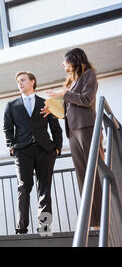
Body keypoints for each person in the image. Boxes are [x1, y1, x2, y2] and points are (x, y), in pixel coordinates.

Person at [43, 48, 103, 229]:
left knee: (95, 172)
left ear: (74, 60)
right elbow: (68, 106)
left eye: (65, 61)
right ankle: (93, 222)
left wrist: (64, 94)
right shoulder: (71, 82)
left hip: (87, 127)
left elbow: (86, 100)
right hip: (73, 131)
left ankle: (103, 218)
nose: (63, 64)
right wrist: (52, 108)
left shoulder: (89, 75)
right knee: (82, 175)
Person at [3, 71, 62, 234]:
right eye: (18, 82)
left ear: (32, 81)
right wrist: (11, 146)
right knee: (24, 187)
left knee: (44, 189)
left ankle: (45, 227)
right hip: (22, 151)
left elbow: (55, 127)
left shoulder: (46, 103)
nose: (19, 83)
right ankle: (21, 228)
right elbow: (7, 128)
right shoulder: (11, 105)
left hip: (45, 150)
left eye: (22, 80)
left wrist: (57, 147)